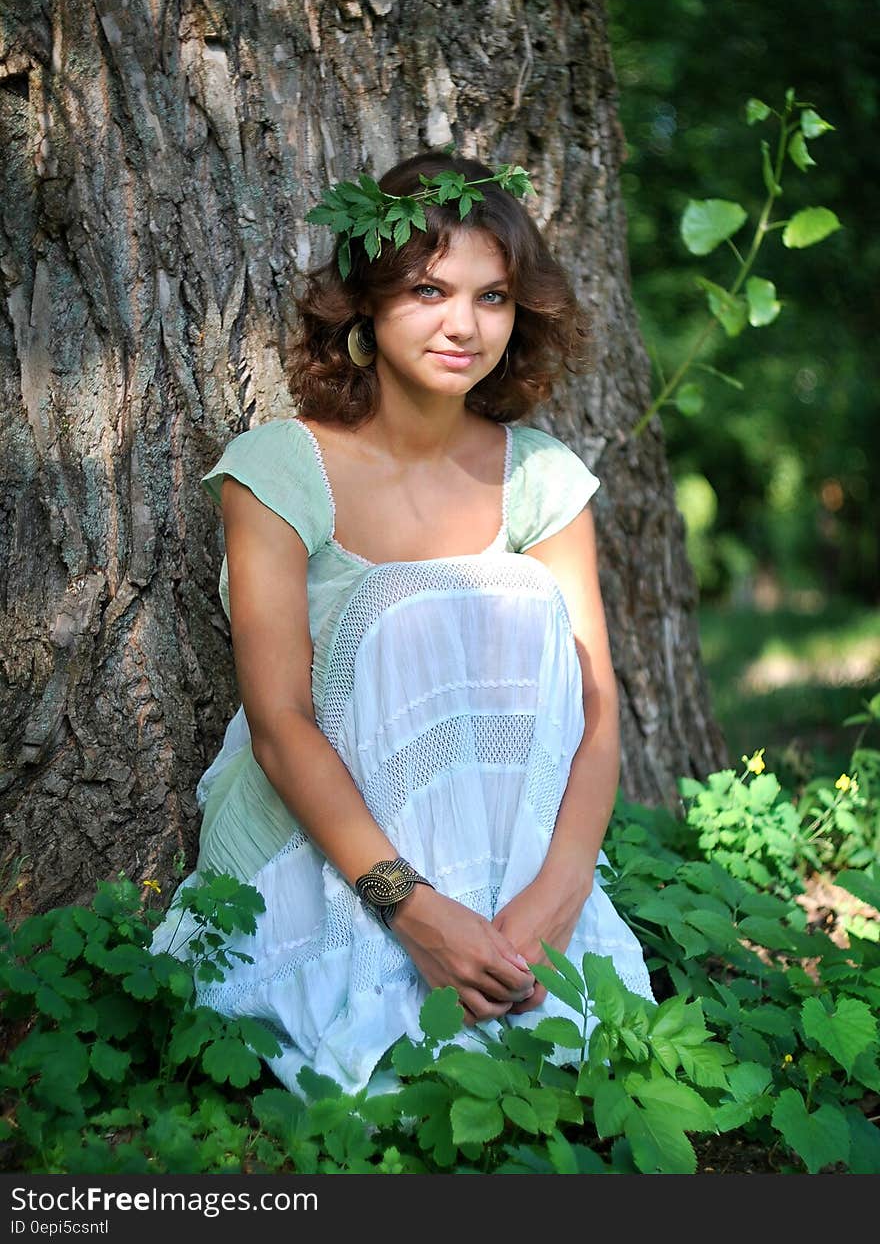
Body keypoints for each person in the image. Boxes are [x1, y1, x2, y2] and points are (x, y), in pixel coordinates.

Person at [150, 150, 653, 1097]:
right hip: (331, 863)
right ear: (368, 304)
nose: (464, 324)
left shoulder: (542, 479)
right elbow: (280, 723)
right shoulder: (281, 470)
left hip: (521, 876)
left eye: (493, 297)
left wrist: (559, 895)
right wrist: (412, 910)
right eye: (429, 289)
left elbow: (596, 710)